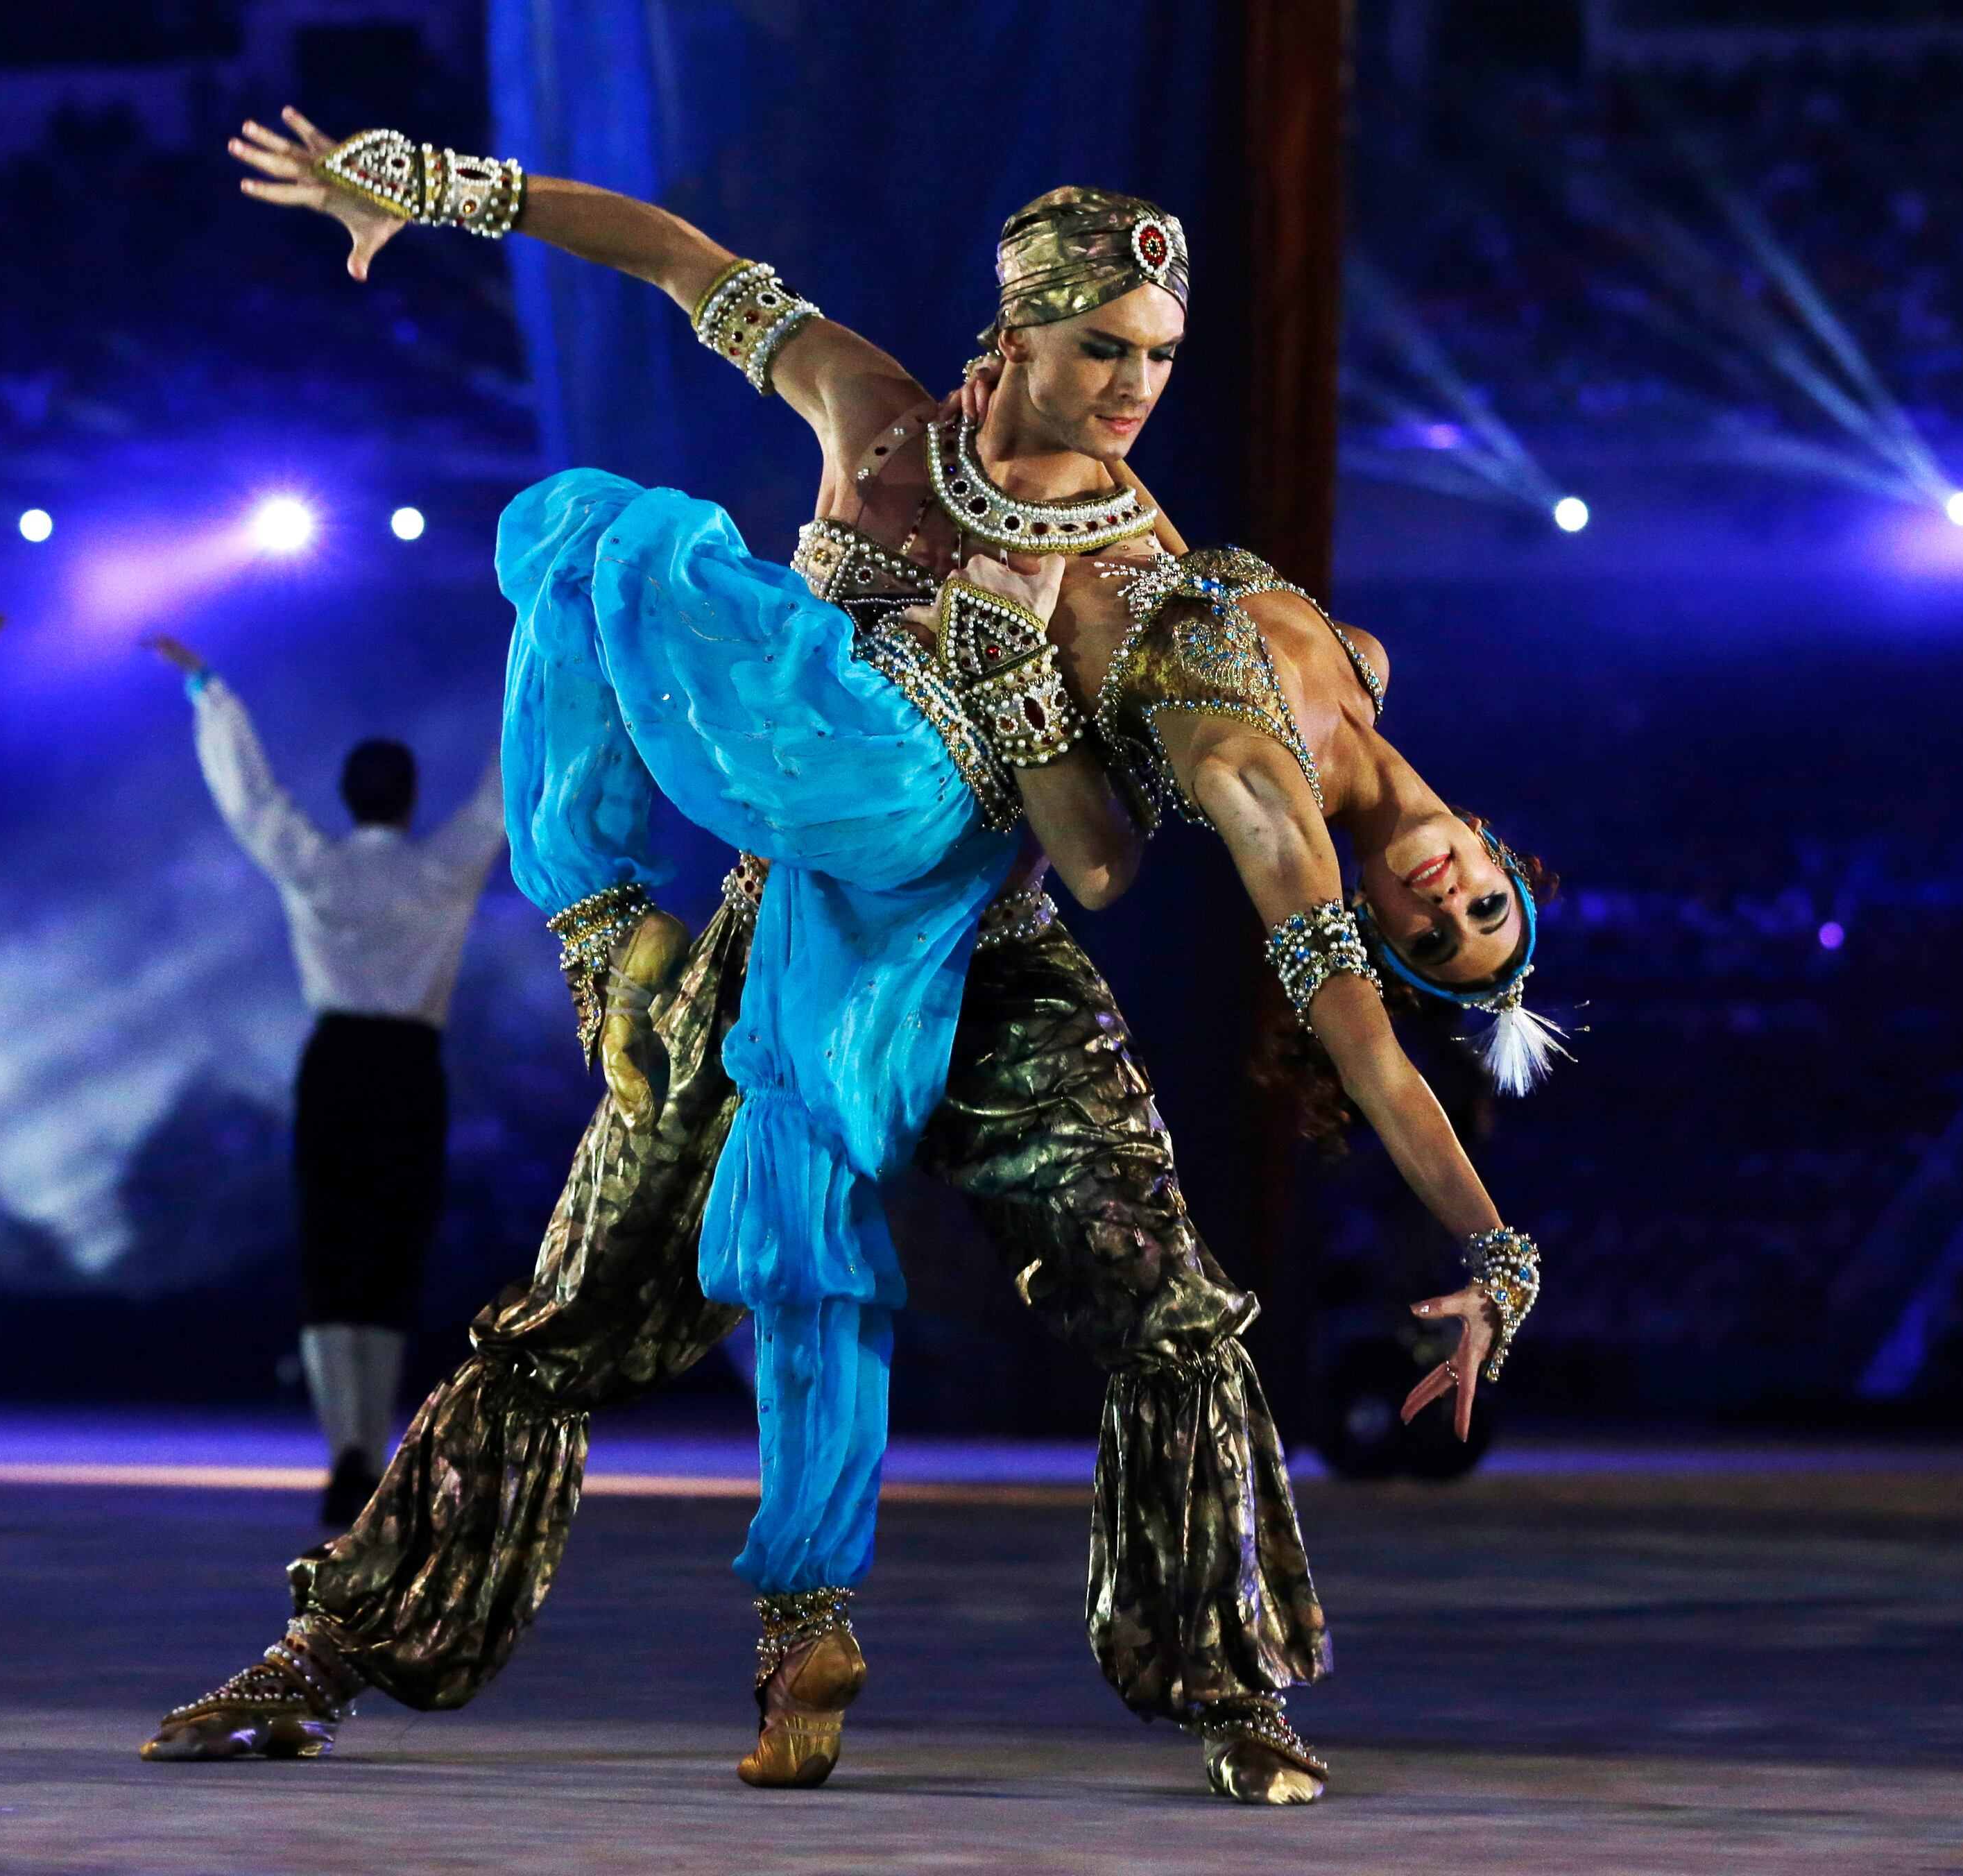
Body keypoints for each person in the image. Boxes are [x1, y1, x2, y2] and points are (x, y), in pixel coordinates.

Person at [142, 122, 1547, 1802]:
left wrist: (1487, 1240)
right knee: (574, 1306)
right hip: (768, 923)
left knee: (1167, 1308)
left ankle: (1234, 1690)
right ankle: (346, 1649)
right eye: (1102, 347)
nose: (1131, 388)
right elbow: (669, 254)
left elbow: (1106, 860)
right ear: (1013, 333)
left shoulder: (1131, 584)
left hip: (986, 957)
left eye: (1159, 358)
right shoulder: (867, 416)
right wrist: (440, 191)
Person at [142, 631, 504, 1526]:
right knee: (389, 1255)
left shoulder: (319, 867)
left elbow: (252, 802)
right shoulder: (440, 871)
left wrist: (208, 690)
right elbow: (504, 792)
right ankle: (369, 1452)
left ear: (347, 798)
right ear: (412, 798)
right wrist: (554, 663)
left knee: (330, 1253)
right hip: (410, 1069)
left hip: (337, 1063)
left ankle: (344, 1447)